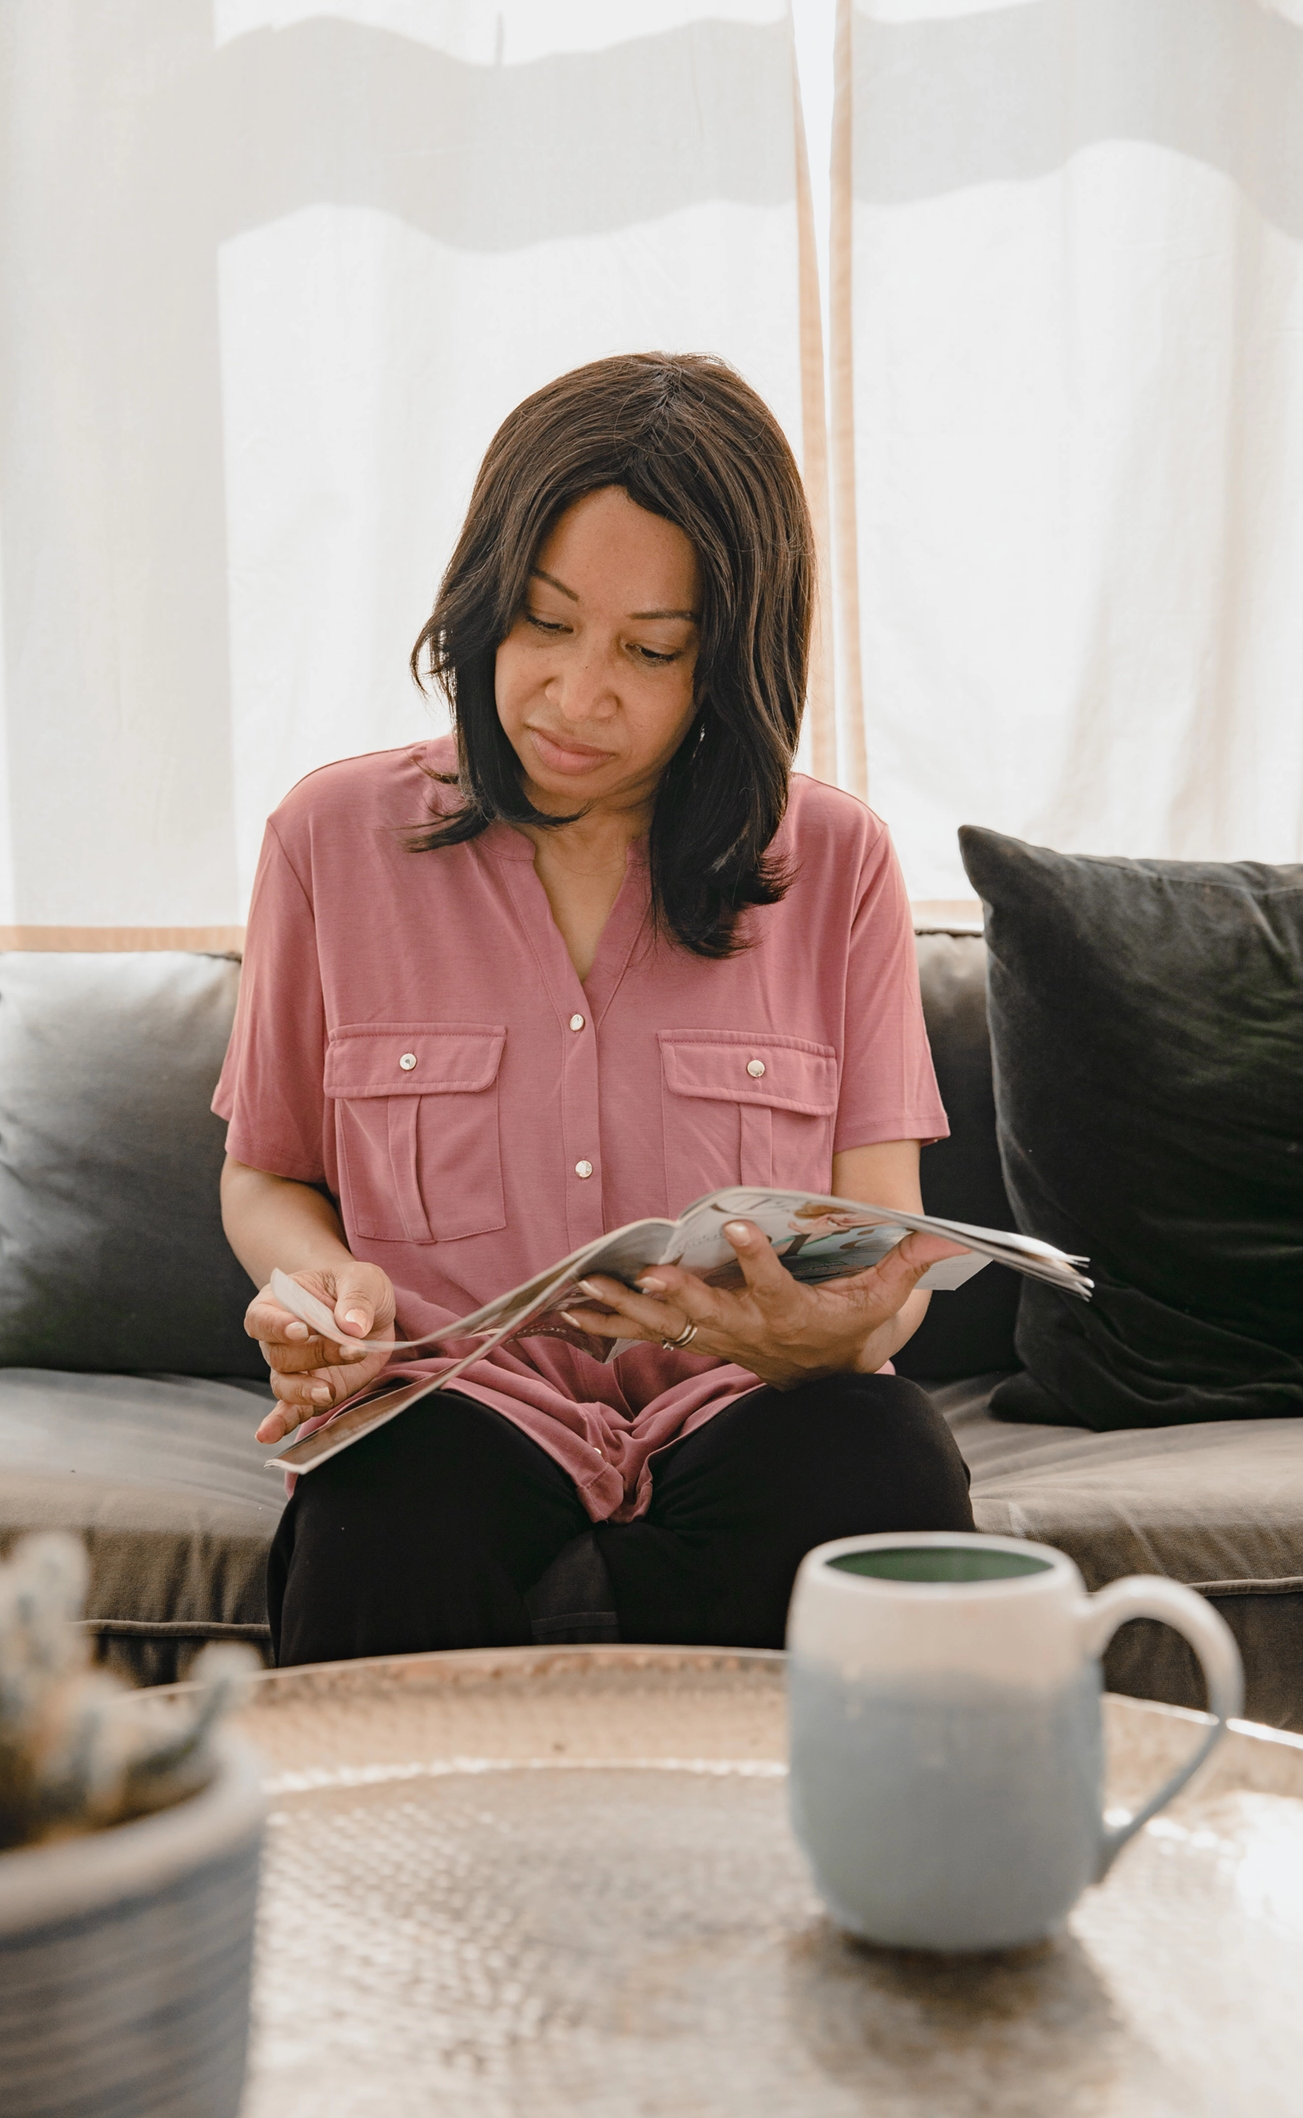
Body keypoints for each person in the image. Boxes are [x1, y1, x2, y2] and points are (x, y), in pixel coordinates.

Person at [214, 352, 976, 1667]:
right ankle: (397, 1878)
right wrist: (325, 1286)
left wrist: (835, 1330)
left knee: (888, 1469)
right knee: (379, 1520)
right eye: (545, 624)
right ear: (483, 604)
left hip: (754, 1404)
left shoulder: (840, 864)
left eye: (651, 651)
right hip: (456, 1396)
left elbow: (886, 1251)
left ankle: (816, 1876)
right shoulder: (328, 840)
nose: (577, 698)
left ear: (726, 665)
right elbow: (266, 1177)